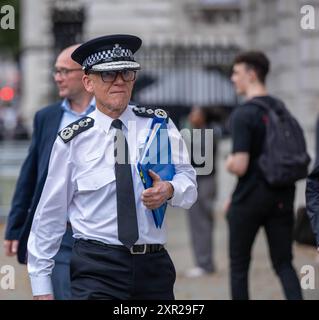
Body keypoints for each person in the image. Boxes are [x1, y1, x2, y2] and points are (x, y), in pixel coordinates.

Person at [27, 34, 197, 300]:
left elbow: (188, 180)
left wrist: (170, 189)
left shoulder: (159, 126)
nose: (119, 81)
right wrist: (41, 285)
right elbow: (50, 212)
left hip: (153, 267)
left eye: (126, 73)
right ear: (88, 82)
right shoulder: (73, 139)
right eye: (108, 75)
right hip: (96, 268)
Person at [4, 44, 95, 300]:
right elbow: (31, 174)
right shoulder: (47, 116)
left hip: (103, 235)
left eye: (65, 71)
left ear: (87, 75)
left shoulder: (113, 114)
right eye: (56, 71)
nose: (58, 77)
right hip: (61, 233)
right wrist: (15, 225)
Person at [226, 51, 302, 300]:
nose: (232, 78)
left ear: (252, 74)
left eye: (236, 73)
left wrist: (228, 162)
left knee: (239, 267)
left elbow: (240, 165)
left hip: (249, 198)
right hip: (282, 196)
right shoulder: (281, 108)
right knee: (283, 263)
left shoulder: (243, 114)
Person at [184, 106, 217, 277]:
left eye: (195, 113)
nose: (191, 116)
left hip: (202, 182)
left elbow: (195, 159)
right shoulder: (198, 133)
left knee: (200, 223)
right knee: (200, 223)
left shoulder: (205, 134)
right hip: (202, 181)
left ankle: (204, 263)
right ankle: (204, 262)